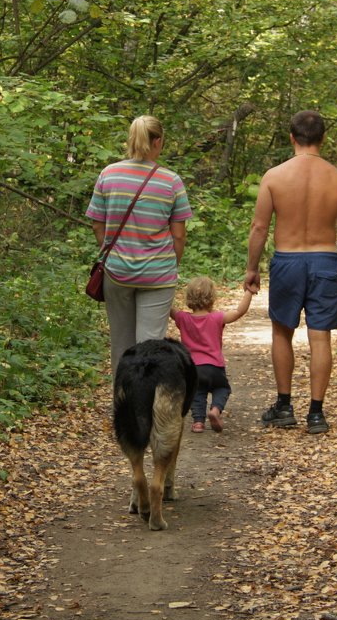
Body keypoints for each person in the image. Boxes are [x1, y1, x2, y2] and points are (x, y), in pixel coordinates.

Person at [243, 110, 337, 435]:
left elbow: (259, 226)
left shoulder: (274, 176)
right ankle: (317, 413)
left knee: (282, 332)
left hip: (288, 261)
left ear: (292, 137)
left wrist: (252, 268)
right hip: (325, 260)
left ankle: (284, 405)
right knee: (320, 336)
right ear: (323, 138)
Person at [87, 115, 193, 374]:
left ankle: (122, 408)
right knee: (150, 348)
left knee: (121, 347)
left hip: (116, 273)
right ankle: (148, 409)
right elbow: (178, 235)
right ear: (158, 141)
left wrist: (112, 252)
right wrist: (170, 264)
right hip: (158, 276)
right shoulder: (171, 181)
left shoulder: (108, 174)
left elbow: (97, 224)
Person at [171, 276, 254, 433]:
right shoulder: (217, 318)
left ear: (188, 298)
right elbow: (239, 312)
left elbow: (168, 307)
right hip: (214, 366)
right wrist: (249, 292)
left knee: (197, 393)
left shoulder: (183, 318)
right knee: (222, 388)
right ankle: (215, 410)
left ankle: (198, 422)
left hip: (192, 368)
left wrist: (163, 286)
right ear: (212, 298)